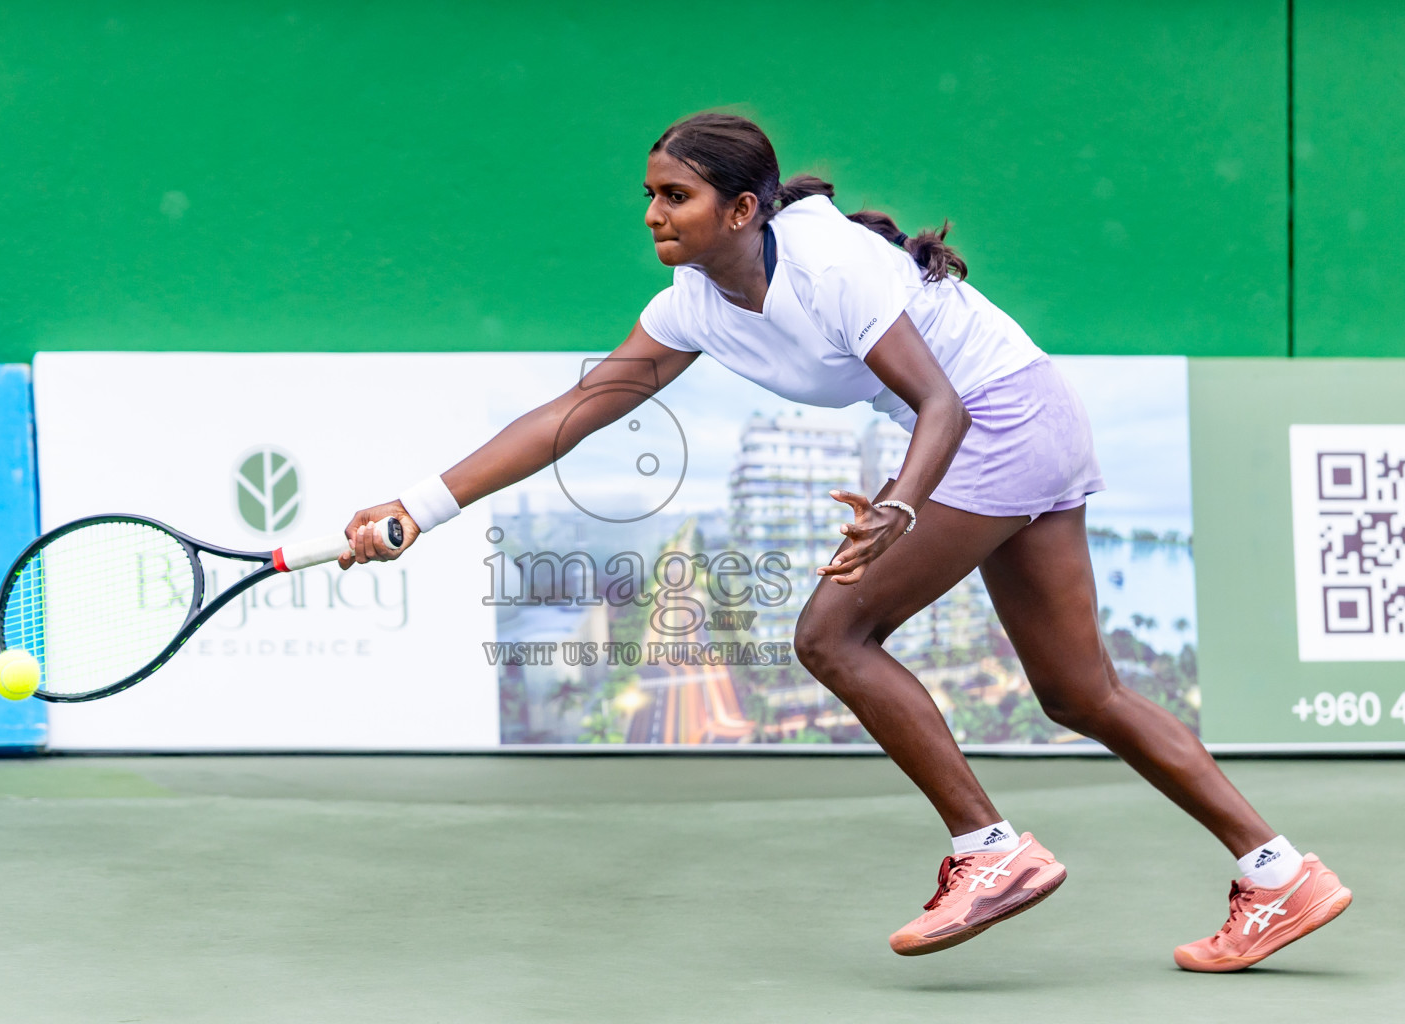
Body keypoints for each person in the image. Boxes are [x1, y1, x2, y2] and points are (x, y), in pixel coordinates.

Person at [338, 112, 1350, 970]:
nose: (653, 214)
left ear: (742, 208)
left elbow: (939, 403)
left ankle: (988, 848)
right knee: (1081, 691)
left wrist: (900, 507)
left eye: (675, 196)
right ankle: (1281, 873)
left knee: (833, 633)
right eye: (647, 195)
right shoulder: (694, 304)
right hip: (1022, 420)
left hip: (1003, 418)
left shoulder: (830, 262)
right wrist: (418, 508)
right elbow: (578, 410)